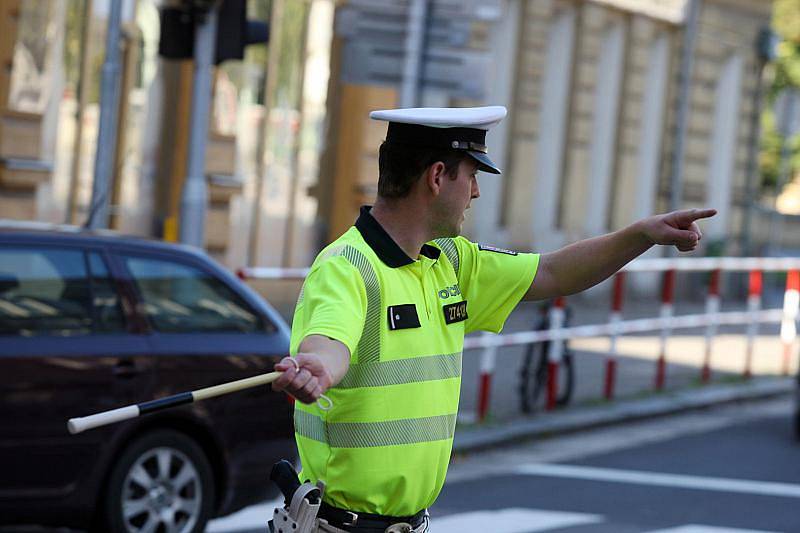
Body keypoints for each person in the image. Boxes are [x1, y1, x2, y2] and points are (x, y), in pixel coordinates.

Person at [272, 106, 715, 532]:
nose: (477, 192)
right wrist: (317, 368)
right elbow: (327, 346)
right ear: (438, 176)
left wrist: (640, 235)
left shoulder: (449, 262)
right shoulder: (346, 267)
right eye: (472, 175)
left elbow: (552, 271)